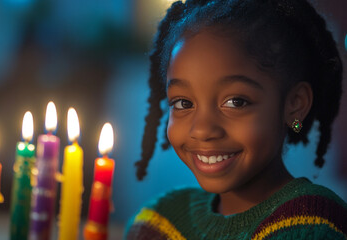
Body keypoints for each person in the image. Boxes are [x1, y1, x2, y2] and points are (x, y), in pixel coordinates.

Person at [125, 0, 347, 239]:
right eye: (183, 103)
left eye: (236, 102)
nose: (202, 130)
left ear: (294, 104)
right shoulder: (158, 222)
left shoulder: (309, 224)